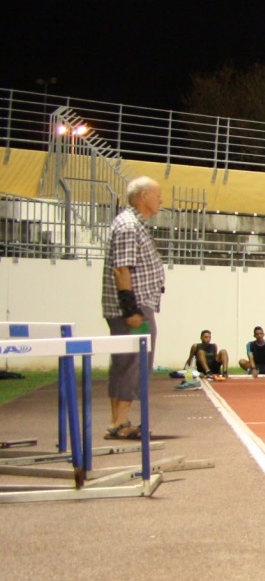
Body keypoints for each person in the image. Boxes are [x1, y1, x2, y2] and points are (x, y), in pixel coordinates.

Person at [101, 177, 166, 438]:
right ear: (143, 196)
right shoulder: (129, 225)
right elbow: (122, 269)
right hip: (134, 307)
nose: (161, 200)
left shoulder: (132, 224)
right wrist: (131, 310)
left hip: (135, 304)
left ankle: (118, 420)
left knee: (125, 361)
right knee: (133, 362)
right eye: (157, 195)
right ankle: (120, 421)